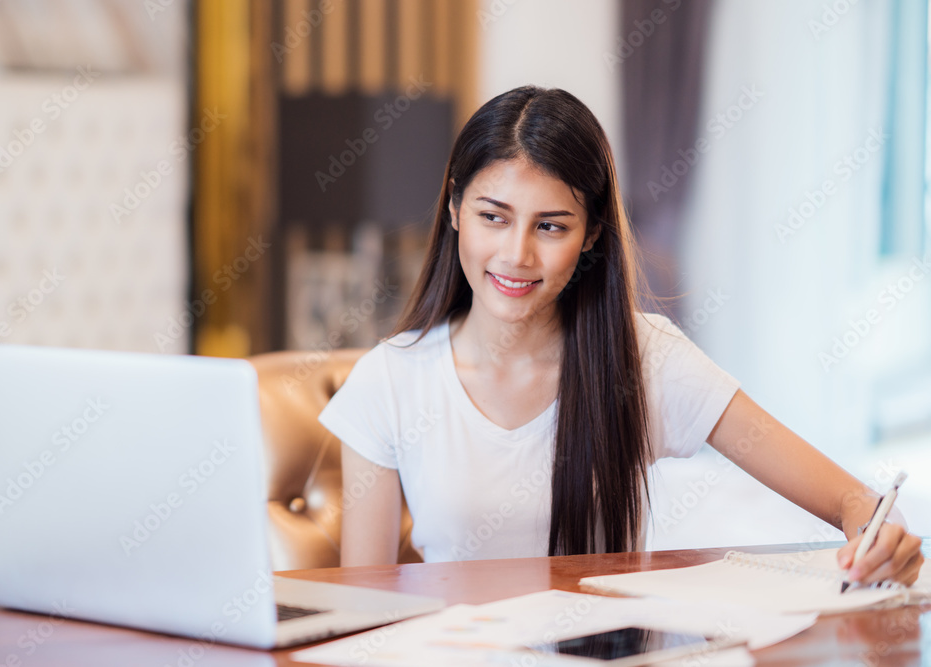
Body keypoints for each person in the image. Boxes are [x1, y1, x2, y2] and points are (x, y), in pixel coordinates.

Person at [317, 85, 924, 586]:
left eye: (551, 226)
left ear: (592, 235)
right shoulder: (390, 380)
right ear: (454, 210)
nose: (516, 254)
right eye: (493, 216)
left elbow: (854, 502)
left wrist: (874, 530)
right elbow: (365, 609)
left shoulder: (645, 358)